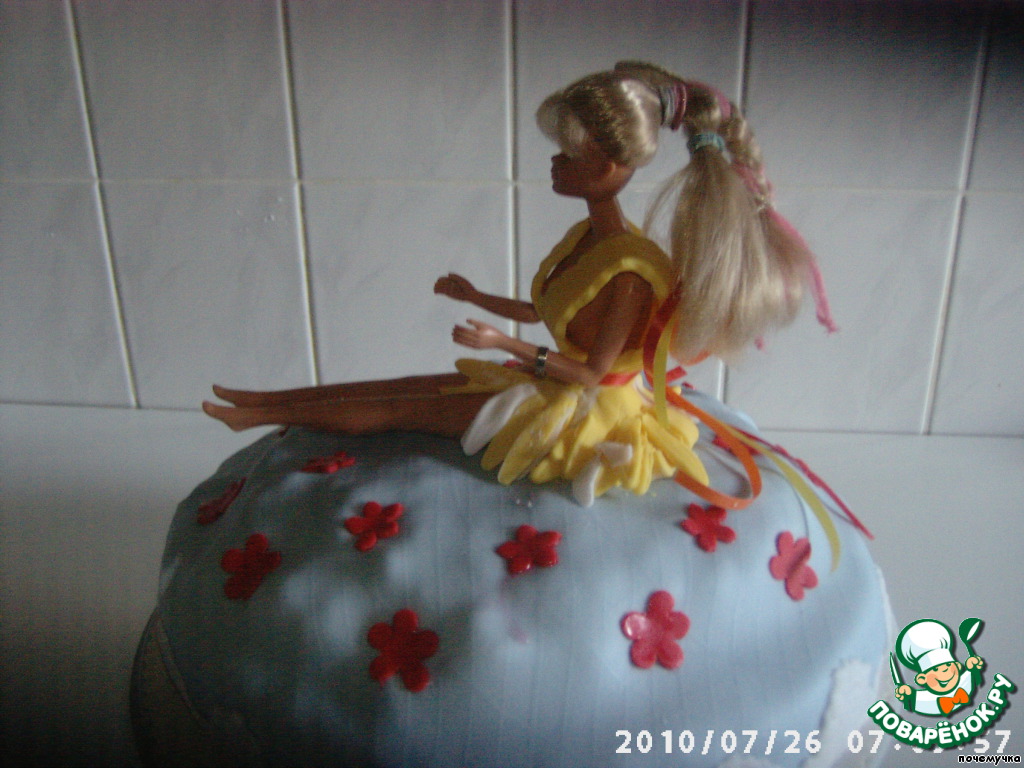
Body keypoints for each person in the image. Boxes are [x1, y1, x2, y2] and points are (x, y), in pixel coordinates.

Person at [203, 61, 833, 506]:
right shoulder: (589, 239)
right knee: (407, 386)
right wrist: (475, 296)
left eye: (571, 153)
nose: (555, 160)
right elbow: (543, 310)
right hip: (545, 381)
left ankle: (262, 413)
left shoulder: (632, 273)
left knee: (403, 408)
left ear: (609, 166)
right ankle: (261, 404)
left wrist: (500, 344)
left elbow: (593, 374)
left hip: (585, 416)